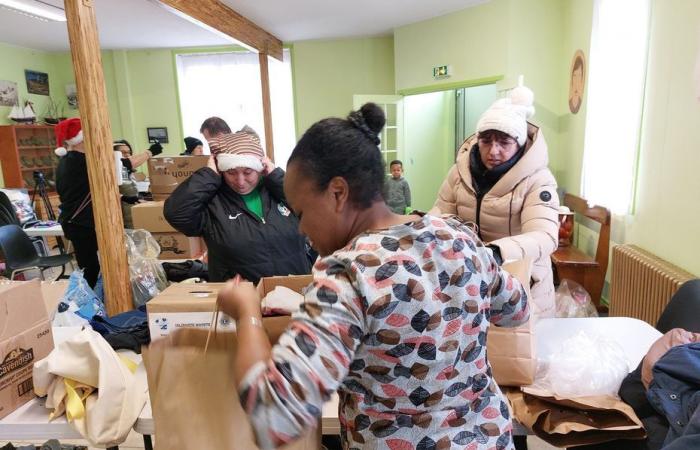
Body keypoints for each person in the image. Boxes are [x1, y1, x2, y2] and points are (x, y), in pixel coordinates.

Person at [216, 103, 530, 449]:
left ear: (338, 192)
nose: (302, 228)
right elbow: (517, 309)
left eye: (302, 212)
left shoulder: (348, 278)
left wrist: (246, 314)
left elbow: (272, 416)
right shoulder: (457, 237)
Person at [431, 84, 559, 319]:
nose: (493, 150)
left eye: (503, 142)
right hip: (468, 281)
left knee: (517, 352)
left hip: (521, 283)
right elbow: (440, 212)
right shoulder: (460, 173)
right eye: (486, 141)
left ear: (519, 144)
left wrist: (496, 252)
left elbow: (545, 236)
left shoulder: (538, 180)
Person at [163, 128, 311, 283]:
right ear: (221, 170)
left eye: (248, 172)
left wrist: (276, 177)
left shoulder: (278, 192)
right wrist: (208, 174)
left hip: (294, 295)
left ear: (260, 167)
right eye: (231, 172)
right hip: (240, 302)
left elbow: (312, 209)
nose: (240, 182)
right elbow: (176, 213)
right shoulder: (213, 202)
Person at [54, 118, 100, 288]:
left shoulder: (68, 161)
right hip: (80, 223)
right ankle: (88, 306)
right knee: (90, 268)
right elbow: (123, 165)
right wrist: (149, 153)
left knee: (90, 266)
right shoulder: (80, 162)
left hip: (77, 222)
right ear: (82, 140)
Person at [112, 139, 162, 228]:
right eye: (123, 152)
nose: (127, 155)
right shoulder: (114, 166)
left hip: (131, 214)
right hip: (120, 217)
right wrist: (149, 152)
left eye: (129, 152)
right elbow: (126, 163)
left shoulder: (128, 173)